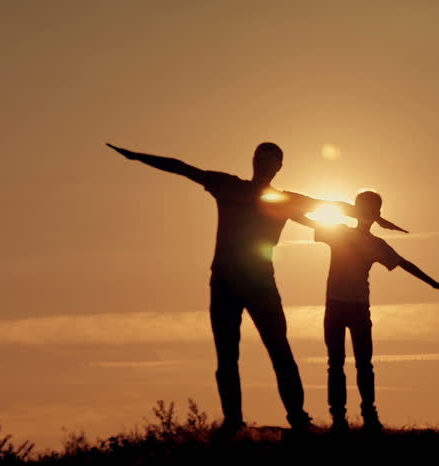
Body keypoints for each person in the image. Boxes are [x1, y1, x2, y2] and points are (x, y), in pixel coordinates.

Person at [106, 142, 406, 434]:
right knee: (227, 354)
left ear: (278, 167)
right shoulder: (227, 185)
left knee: (279, 349)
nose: (263, 165)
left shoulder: (284, 200)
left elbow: (333, 206)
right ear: (254, 160)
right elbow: (183, 168)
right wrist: (135, 157)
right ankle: (234, 421)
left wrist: (373, 218)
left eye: (270, 160)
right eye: (260, 158)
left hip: (260, 281)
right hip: (224, 280)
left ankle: (298, 418)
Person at [293, 190, 439, 432]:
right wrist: (347, 208)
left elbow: (404, 264)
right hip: (336, 307)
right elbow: (300, 216)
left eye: (370, 210)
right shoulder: (338, 232)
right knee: (337, 364)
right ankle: (339, 418)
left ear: (377, 213)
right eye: (362, 208)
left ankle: (368, 416)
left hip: (358, 308)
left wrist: (433, 283)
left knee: (362, 364)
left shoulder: (376, 245)